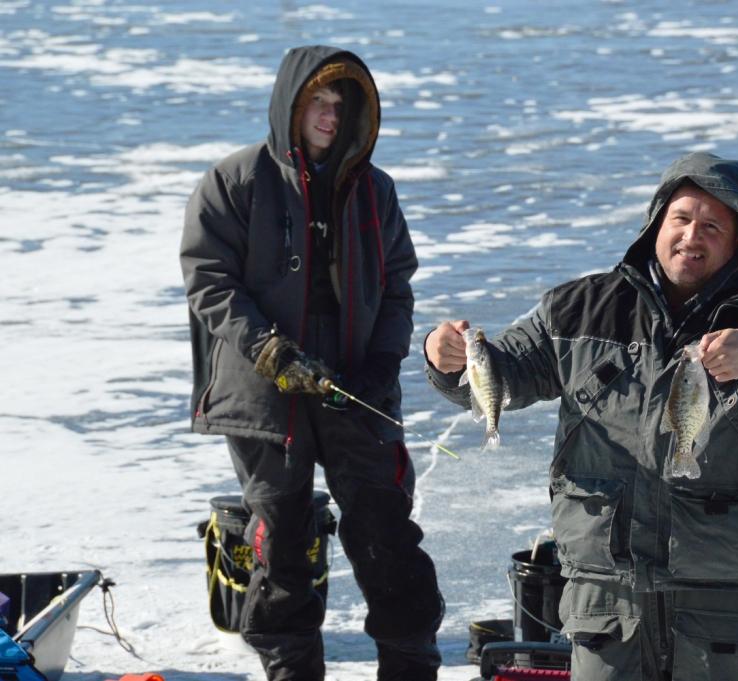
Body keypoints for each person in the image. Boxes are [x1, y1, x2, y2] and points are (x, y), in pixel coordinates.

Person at [424, 151, 738, 680]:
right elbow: (506, 372)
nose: (691, 236)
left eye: (711, 226)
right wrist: (445, 358)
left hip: (731, 599)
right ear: (657, 222)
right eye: (680, 219)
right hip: (604, 597)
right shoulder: (581, 307)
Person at [181, 45, 444, 681]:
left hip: (355, 383)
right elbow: (208, 279)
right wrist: (268, 349)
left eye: (340, 105)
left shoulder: (375, 191)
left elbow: (399, 285)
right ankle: (290, 669)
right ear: (292, 107)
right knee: (284, 538)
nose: (330, 117)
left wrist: (384, 363)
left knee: (386, 531)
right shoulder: (235, 181)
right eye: (318, 104)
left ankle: (411, 666)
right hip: (265, 389)